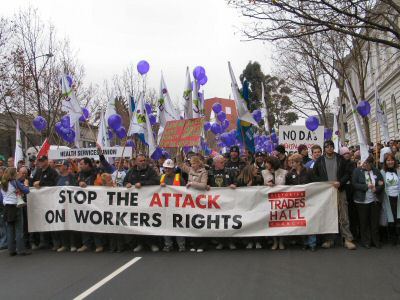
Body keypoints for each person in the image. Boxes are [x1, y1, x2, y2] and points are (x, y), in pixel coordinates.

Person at [313, 140, 356, 250]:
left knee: (344, 215)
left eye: (331, 146)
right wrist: (325, 184)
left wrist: (340, 182)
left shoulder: (340, 159)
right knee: (329, 215)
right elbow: (314, 176)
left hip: (340, 190)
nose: (329, 148)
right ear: (324, 149)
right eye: (327, 147)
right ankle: (329, 239)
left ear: (333, 147)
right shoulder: (320, 161)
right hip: (326, 193)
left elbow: (347, 173)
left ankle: (347, 239)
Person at [123, 154, 160, 252]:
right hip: (136, 203)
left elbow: (156, 181)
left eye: (144, 160)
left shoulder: (150, 171)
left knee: (149, 223)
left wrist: (142, 184)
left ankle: (152, 243)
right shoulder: (131, 171)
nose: (143, 162)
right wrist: (127, 184)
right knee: (138, 224)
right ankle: (140, 244)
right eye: (141, 161)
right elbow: (125, 181)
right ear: (136, 162)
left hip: (149, 202)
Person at [177, 154, 208, 252]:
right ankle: (194, 244)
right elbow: (180, 164)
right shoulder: (190, 170)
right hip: (191, 199)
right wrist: (179, 153)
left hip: (200, 199)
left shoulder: (204, 172)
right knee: (193, 221)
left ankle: (202, 245)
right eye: (191, 163)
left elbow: (203, 185)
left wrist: (192, 183)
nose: (192, 165)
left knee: (200, 221)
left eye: (194, 163)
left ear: (199, 163)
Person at [352, 156, 384, 248]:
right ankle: (366, 241)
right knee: (364, 222)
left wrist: (376, 189)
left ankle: (375, 240)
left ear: (371, 163)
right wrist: (366, 186)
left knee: (374, 222)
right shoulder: (357, 171)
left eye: (367, 163)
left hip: (374, 200)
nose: (364, 164)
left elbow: (381, 183)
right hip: (361, 201)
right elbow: (354, 184)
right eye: (363, 162)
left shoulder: (376, 171)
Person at [285, 154, 316, 251]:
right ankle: (304, 242)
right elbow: (287, 187)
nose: (291, 164)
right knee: (301, 222)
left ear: (298, 162)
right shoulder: (289, 174)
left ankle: (312, 243)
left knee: (310, 221)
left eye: (292, 162)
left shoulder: (309, 171)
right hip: (297, 202)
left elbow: (315, 185)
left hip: (309, 200)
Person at [207, 155, 237, 250]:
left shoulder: (230, 171)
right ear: (215, 163)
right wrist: (206, 186)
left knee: (229, 221)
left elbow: (236, 182)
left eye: (223, 162)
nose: (223, 164)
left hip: (228, 201)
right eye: (221, 162)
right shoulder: (210, 173)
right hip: (216, 201)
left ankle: (231, 242)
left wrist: (234, 184)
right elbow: (205, 184)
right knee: (218, 222)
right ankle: (221, 242)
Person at [76, 157, 104, 253]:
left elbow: (100, 183)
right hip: (84, 202)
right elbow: (77, 182)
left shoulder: (96, 172)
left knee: (95, 221)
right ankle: (86, 244)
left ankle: (99, 244)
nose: (80, 166)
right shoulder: (80, 173)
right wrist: (80, 182)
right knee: (84, 221)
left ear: (87, 164)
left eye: (82, 164)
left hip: (96, 201)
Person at [0, 168, 31, 256]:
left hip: (7, 207)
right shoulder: (15, 182)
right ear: (13, 174)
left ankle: (11, 250)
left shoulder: (2, 183)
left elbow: (1, 198)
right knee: (18, 229)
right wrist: (26, 184)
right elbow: (26, 191)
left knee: (9, 230)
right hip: (15, 207)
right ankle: (21, 250)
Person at [32, 155, 59, 250]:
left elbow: (55, 185)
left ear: (47, 161)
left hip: (51, 200)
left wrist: (41, 183)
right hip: (40, 200)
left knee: (52, 220)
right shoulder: (38, 171)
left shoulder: (52, 172)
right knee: (42, 220)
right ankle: (44, 241)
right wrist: (34, 183)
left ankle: (55, 242)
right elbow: (33, 181)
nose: (40, 162)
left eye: (42, 160)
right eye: (39, 161)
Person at [160, 159, 186, 252]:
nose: (167, 170)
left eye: (169, 168)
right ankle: (168, 245)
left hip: (177, 205)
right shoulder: (161, 177)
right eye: (166, 168)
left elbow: (185, 191)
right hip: (165, 205)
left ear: (173, 169)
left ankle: (181, 245)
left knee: (178, 225)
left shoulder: (179, 178)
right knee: (166, 225)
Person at [262, 156, 288, 250]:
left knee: (281, 221)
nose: (266, 165)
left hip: (282, 200)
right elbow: (259, 186)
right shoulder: (263, 172)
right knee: (273, 221)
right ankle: (274, 241)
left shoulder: (284, 172)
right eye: (265, 163)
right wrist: (266, 185)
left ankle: (281, 241)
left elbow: (287, 185)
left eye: (268, 163)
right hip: (269, 200)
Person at [54, 160, 79, 252]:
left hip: (71, 205)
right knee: (62, 225)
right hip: (61, 206)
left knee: (71, 225)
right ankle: (64, 244)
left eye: (60, 166)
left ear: (65, 166)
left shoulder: (71, 177)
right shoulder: (57, 178)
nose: (58, 167)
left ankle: (73, 244)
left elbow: (76, 188)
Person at [380, 154, 400, 245]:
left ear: (394, 161)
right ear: (385, 162)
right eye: (388, 160)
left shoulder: (398, 171)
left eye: (392, 160)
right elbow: (380, 185)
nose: (390, 162)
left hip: (398, 198)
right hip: (388, 199)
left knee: (398, 218)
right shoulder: (382, 172)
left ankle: (398, 236)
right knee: (390, 218)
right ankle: (392, 238)